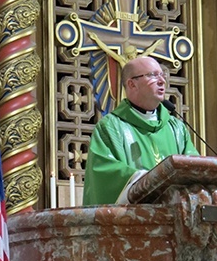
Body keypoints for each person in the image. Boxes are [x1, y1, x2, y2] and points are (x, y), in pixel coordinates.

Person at [83, 56, 199, 205]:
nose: (162, 81)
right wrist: (148, 180)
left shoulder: (176, 128)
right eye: (152, 75)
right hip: (135, 222)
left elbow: (194, 169)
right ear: (132, 84)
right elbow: (103, 174)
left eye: (162, 75)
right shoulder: (111, 128)